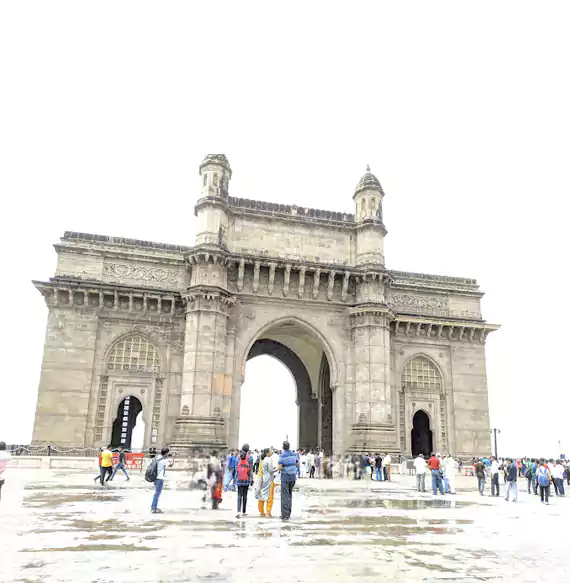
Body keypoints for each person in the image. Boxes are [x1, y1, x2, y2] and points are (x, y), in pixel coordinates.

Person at [278, 440, 298, 520]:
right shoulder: (294, 454)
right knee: (289, 495)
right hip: (293, 477)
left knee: (284, 496)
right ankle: (288, 513)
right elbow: (298, 463)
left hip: (285, 477)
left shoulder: (282, 456)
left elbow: (279, 467)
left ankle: (285, 515)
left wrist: (280, 469)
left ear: (283, 447)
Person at [150, 447, 173, 513]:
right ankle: (154, 508)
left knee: (156, 493)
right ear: (166, 453)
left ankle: (153, 507)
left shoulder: (156, 457)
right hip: (159, 478)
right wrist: (172, 459)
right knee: (157, 493)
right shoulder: (164, 461)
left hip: (154, 477)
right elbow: (170, 465)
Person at [256, 448, 276, 517]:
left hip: (262, 479)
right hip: (268, 480)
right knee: (270, 496)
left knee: (261, 495)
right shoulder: (269, 460)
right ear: (267, 453)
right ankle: (268, 512)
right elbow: (270, 471)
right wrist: (277, 469)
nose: (272, 452)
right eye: (271, 451)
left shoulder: (262, 459)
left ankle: (261, 512)